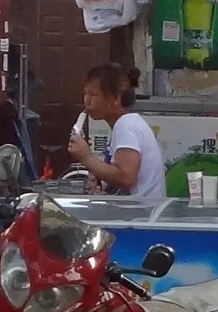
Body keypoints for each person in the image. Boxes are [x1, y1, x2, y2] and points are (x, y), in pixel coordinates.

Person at [62, 63, 167, 206]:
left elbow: (126, 177)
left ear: (116, 99)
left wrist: (86, 157)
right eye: (84, 94)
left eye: (93, 94)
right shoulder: (127, 123)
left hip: (139, 216)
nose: (86, 100)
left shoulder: (126, 125)